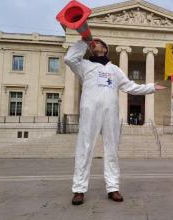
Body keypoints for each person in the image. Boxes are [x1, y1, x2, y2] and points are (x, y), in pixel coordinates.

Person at [64, 37, 165, 205]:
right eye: (92, 43)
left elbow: (130, 86)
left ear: (105, 48)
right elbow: (69, 59)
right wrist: (84, 40)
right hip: (90, 112)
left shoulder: (115, 70)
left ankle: (113, 188)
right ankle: (79, 190)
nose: (94, 44)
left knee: (111, 151)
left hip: (110, 114)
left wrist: (151, 87)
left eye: (97, 42)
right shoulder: (84, 66)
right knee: (84, 149)